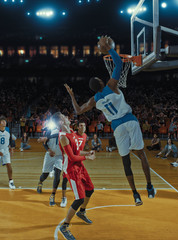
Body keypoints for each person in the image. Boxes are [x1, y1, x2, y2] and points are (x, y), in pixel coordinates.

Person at [64, 36, 156, 206]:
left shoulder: (94, 100)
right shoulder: (111, 86)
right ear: (100, 82)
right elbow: (119, 65)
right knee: (141, 154)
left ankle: (135, 194)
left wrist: (71, 96)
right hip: (129, 120)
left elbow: (77, 110)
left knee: (126, 160)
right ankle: (149, 186)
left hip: (117, 127)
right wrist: (109, 49)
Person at [53, 112, 96, 240]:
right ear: (61, 122)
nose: (67, 117)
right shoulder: (63, 137)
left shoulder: (71, 131)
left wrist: (87, 152)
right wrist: (87, 157)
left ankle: (81, 212)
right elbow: (71, 157)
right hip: (71, 169)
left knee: (90, 189)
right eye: (64, 117)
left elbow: (77, 152)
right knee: (80, 199)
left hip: (79, 165)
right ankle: (65, 226)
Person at [36, 120, 69, 208]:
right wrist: (48, 150)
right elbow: (45, 142)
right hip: (50, 155)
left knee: (57, 175)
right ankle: (40, 182)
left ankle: (52, 195)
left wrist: (49, 137)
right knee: (45, 175)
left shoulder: (65, 130)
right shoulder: (50, 130)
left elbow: (58, 135)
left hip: (60, 156)